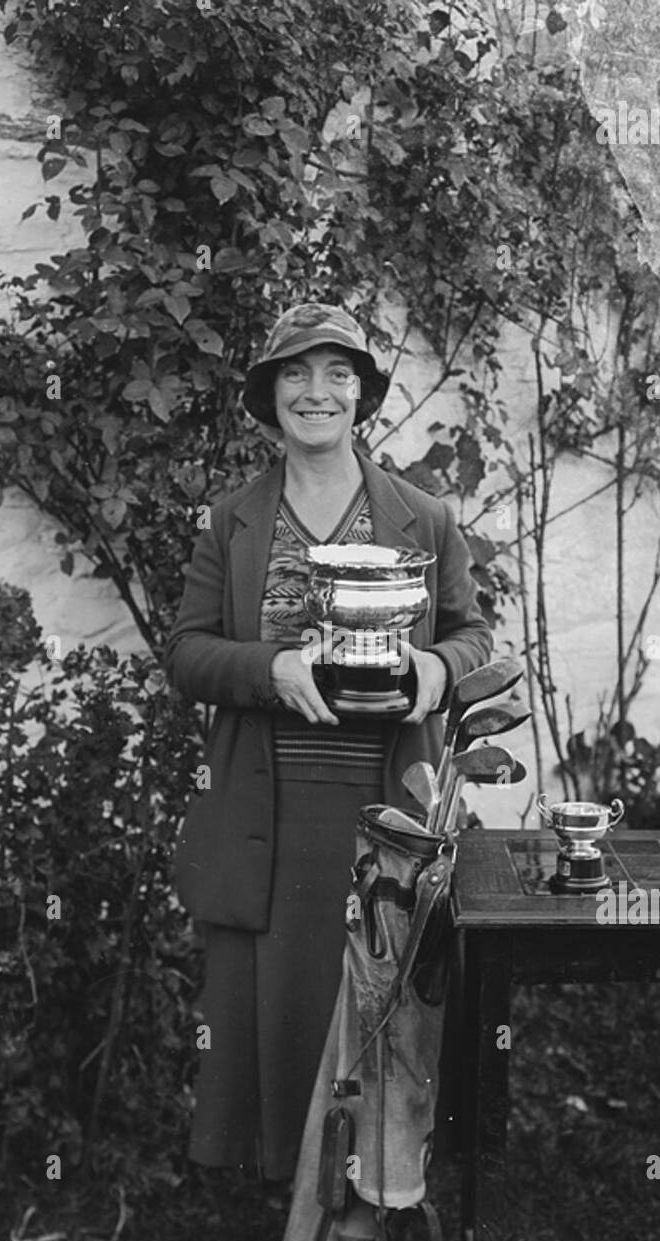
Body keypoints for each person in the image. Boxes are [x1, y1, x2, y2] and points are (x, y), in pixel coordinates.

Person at [163, 302, 492, 1184]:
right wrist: (269, 669)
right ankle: (291, 1208)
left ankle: (384, 1201)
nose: (317, 392)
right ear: (269, 396)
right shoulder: (231, 522)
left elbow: (471, 635)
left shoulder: (422, 518)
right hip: (267, 816)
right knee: (280, 1025)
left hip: (384, 810)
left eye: (337, 373)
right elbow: (187, 653)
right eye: (296, 374)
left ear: (363, 394)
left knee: (383, 1011)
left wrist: (435, 669)